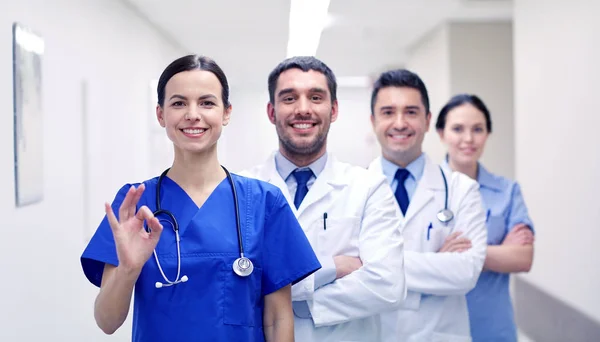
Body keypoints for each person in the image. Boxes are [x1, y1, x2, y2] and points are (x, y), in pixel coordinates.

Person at [80, 54, 322, 342]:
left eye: (206, 103)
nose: (192, 114)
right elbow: (106, 321)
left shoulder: (264, 203)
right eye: (179, 103)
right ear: (160, 114)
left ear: (226, 113)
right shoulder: (136, 204)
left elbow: (277, 319)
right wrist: (128, 271)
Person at [240, 56, 406, 342]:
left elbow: (388, 286)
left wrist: (286, 296)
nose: (303, 109)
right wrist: (332, 268)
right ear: (271, 111)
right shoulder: (241, 190)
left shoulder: (368, 187)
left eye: (315, 97)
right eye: (289, 98)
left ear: (334, 109)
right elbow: (238, 286)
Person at [367, 69, 488, 342]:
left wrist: (372, 263)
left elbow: (465, 273)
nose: (400, 123)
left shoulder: (461, 190)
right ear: (373, 121)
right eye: (388, 112)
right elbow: (342, 273)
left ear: (427, 120)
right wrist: (438, 262)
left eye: (411, 112)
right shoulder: (353, 190)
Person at [436, 93, 535, 342]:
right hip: (437, 326)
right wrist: (497, 252)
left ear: (487, 134)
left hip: (493, 327)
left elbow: (523, 257)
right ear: (441, 133)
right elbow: (412, 258)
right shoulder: (425, 190)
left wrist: (458, 254)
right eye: (458, 129)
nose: (468, 139)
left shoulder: (507, 191)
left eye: (477, 129)